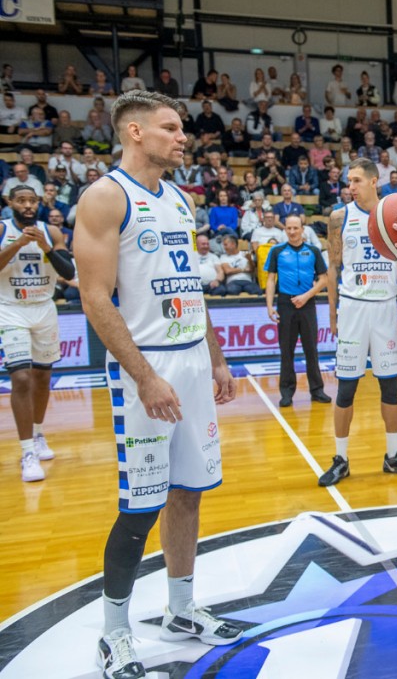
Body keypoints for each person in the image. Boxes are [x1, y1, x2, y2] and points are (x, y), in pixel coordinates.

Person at [74, 90, 241, 679]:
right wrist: (145, 377)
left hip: (193, 359)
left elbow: (189, 286)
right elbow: (94, 298)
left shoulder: (178, 198)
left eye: (181, 128)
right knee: (140, 506)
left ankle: (181, 610)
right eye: (170, 127)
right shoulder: (105, 196)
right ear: (135, 131)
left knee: (189, 491)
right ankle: (114, 633)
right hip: (145, 368)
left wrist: (216, 358)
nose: (182, 136)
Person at [318, 158, 397, 486]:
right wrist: (333, 314)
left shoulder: (394, 215)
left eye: (356, 180)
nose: (350, 186)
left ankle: (393, 455)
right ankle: (340, 459)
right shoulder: (339, 217)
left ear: (374, 181)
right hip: (352, 309)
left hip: (385, 308)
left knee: (390, 385)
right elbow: (333, 268)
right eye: (348, 181)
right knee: (346, 388)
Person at [0, 185, 73, 481]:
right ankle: (27, 452)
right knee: (20, 378)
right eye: (22, 200)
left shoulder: (51, 232)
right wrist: (18, 244)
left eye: (32, 200)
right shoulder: (3, 229)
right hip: (10, 309)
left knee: (43, 378)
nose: (28, 205)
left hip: (44, 308)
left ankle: (39, 434)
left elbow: (68, 272)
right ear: (10, 203)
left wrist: (46, 247)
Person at [263, 215, 330, 406]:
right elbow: (270, 279)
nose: (292, 232)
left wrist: (306, 296)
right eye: (289, 228)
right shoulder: (277, 251)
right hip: (285, 304)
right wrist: (269, 306)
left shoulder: (313, 251)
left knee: (311, 350)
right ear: (285, 229)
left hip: (307, 304)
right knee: (286, 351)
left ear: (302, 229)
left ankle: (317, 390)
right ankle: (286, 393)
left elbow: (324, 279)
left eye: (295, 228)